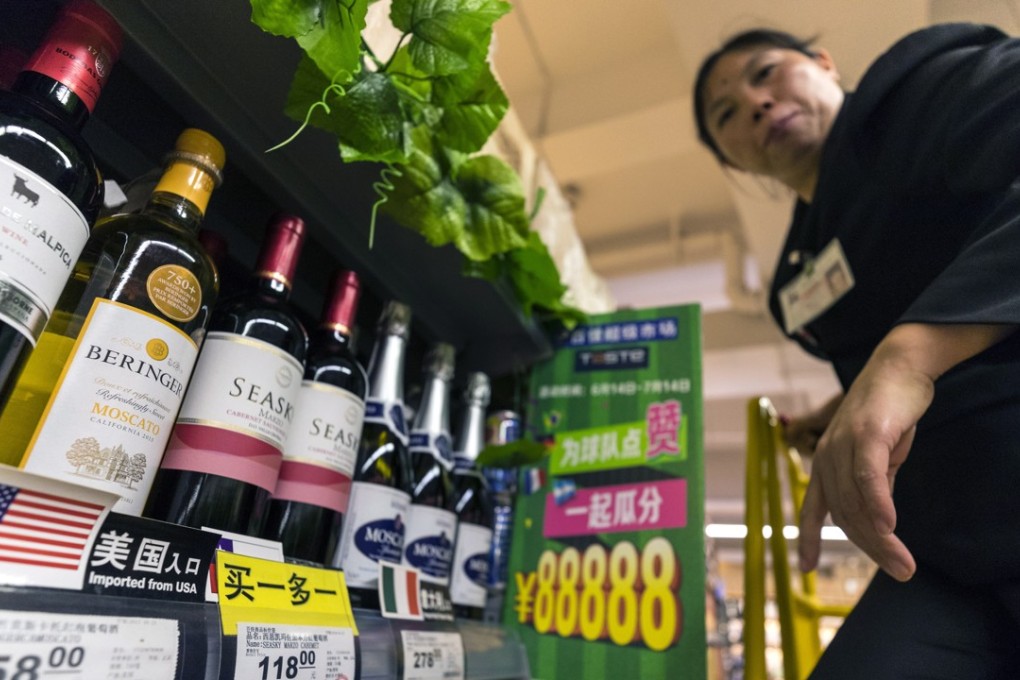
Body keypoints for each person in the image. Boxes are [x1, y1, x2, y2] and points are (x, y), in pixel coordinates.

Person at [695, 24, 1020, 678]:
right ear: (734, 161)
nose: (755, 103)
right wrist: (847, 404)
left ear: (823, 63)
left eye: (766, 73)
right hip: (940, 552)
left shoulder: (919, 95)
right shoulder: (797, 283)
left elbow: (916, 356)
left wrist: (909, 356)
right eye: (726, 114)